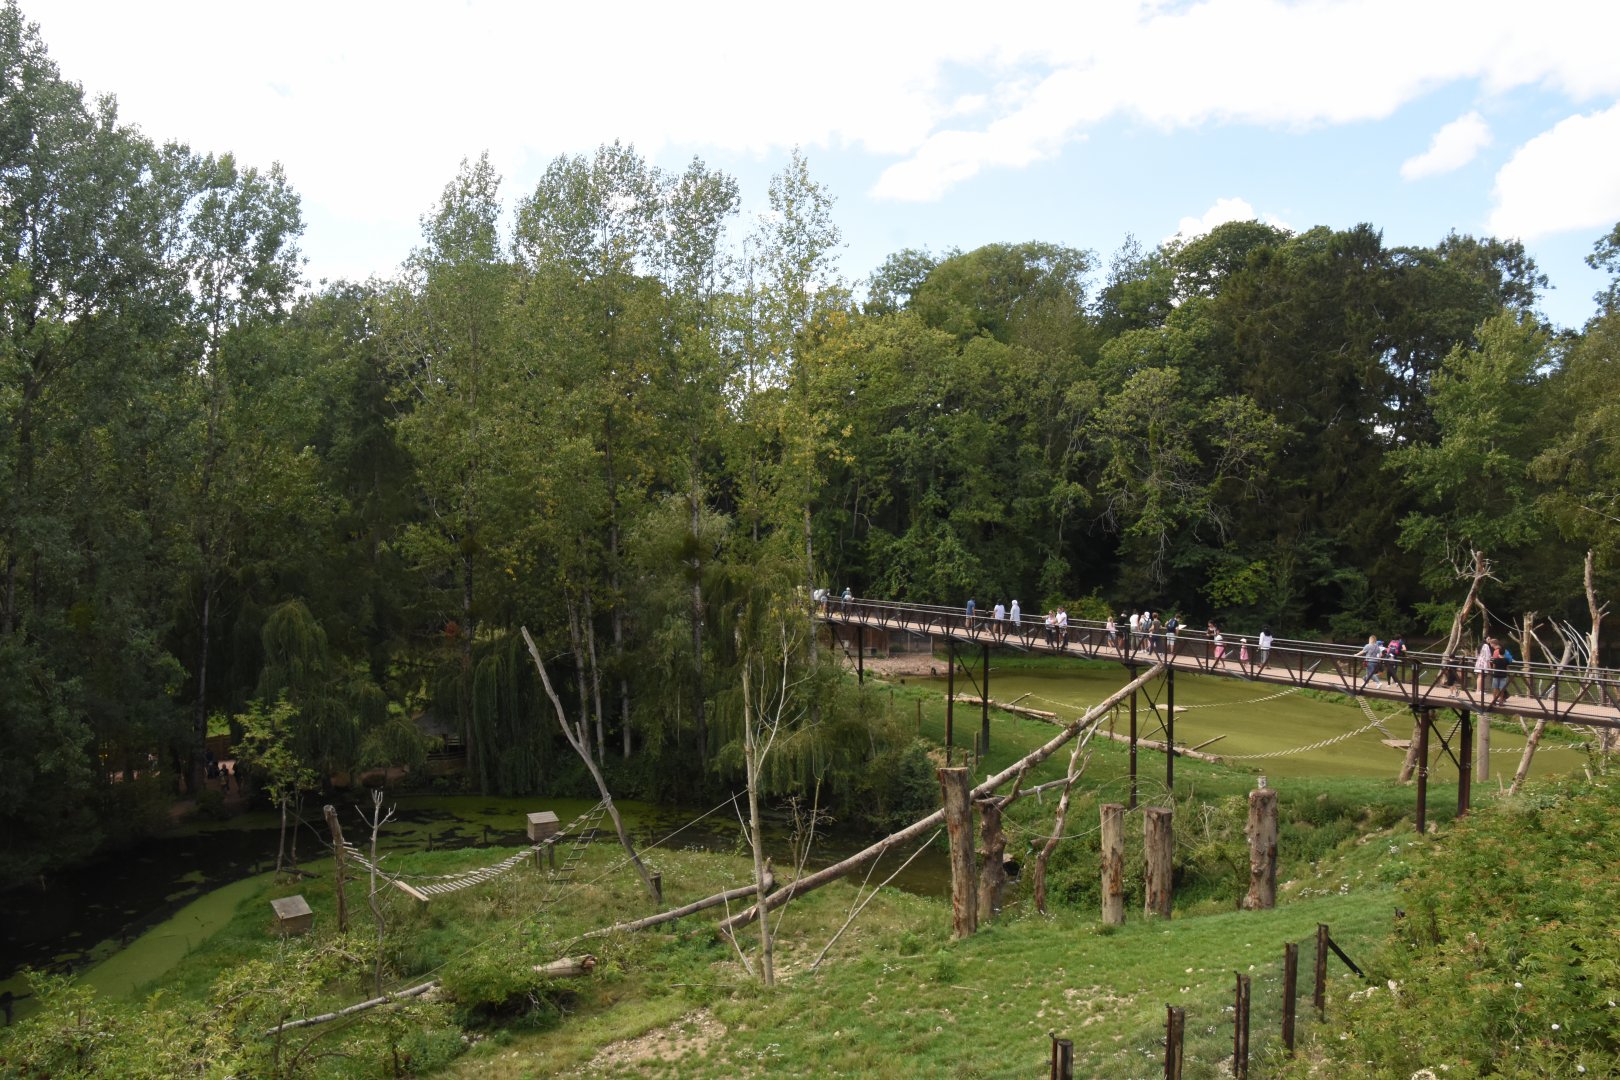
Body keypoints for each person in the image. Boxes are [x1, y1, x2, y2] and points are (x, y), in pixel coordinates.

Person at [1489, 637, 1514, 707]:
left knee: (1495, 688)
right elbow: (1506, 667)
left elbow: (1493, 666)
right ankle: (1501, 701)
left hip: (1496, 674)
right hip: (1503, 675)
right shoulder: (1506, 660)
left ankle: (1494, 701)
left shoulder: (1495, 654)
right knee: (1502, 688)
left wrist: (1492, 670)